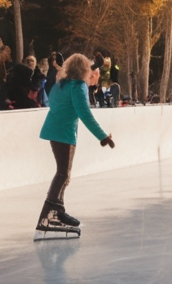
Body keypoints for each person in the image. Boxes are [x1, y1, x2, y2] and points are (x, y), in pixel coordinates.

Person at [37, 54, 116, 235]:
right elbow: (84, 113)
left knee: (64, 174)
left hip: (56, 131)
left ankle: (58, 211)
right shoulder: (78, 86)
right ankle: (46, 217)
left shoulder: (61, 84)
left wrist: (94, 65)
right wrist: (102, 136)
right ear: (84, 71)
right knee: (63, 174)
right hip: (63, 133)